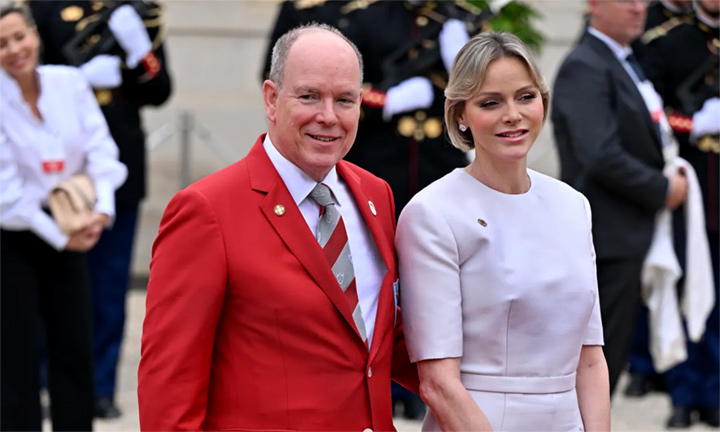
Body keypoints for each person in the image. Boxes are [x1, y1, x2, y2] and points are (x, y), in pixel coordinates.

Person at [137, 23, 418, 431]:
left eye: (345, 100)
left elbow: (379, 339)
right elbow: (169, 385)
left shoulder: (376, 195)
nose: (328, 116)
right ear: (271, 99)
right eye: (309, 96)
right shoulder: (206, 211)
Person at [395, 31, 611, 432]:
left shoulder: (573, 205)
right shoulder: (432, 213)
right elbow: (439, 383)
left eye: (525, 97)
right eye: (490, 102)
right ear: (460, 113)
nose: (512, 114)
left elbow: (591, 358)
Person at [27, 0, 173, 418]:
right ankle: (44, 379)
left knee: (109, 287)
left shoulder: (138, 12)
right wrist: (75, 80)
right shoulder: (46, 8)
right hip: (59, 159)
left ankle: (100, 387)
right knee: (50, 281)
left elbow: (160, 89)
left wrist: (136, 52)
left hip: (119, 156)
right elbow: (23, 73)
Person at [0, 3, 127, 430]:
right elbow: (6, 194)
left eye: (20, 36)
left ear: (35, 34)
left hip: (76, 225)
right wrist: (59, 236)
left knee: (74, 347)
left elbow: (102, 154)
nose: (15, 49)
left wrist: (101, 214)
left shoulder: (69, 83)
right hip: (15, 237)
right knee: (16, 358)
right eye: (1, 44)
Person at [552, 0, 689, 396]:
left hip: (627, 231)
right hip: (605, 236)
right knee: (596, 362)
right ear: (594, 4)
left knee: (609, 359)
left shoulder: (626, 59)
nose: (638, 8)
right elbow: (599, 153)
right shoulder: (586, 64)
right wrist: (662, 189)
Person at [640, 0, 720, 426]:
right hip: (692, 194)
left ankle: (715, 393)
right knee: (686, 295)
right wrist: (697, 124)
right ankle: (684, 394)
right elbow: (653, 116)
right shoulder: (668, 43)